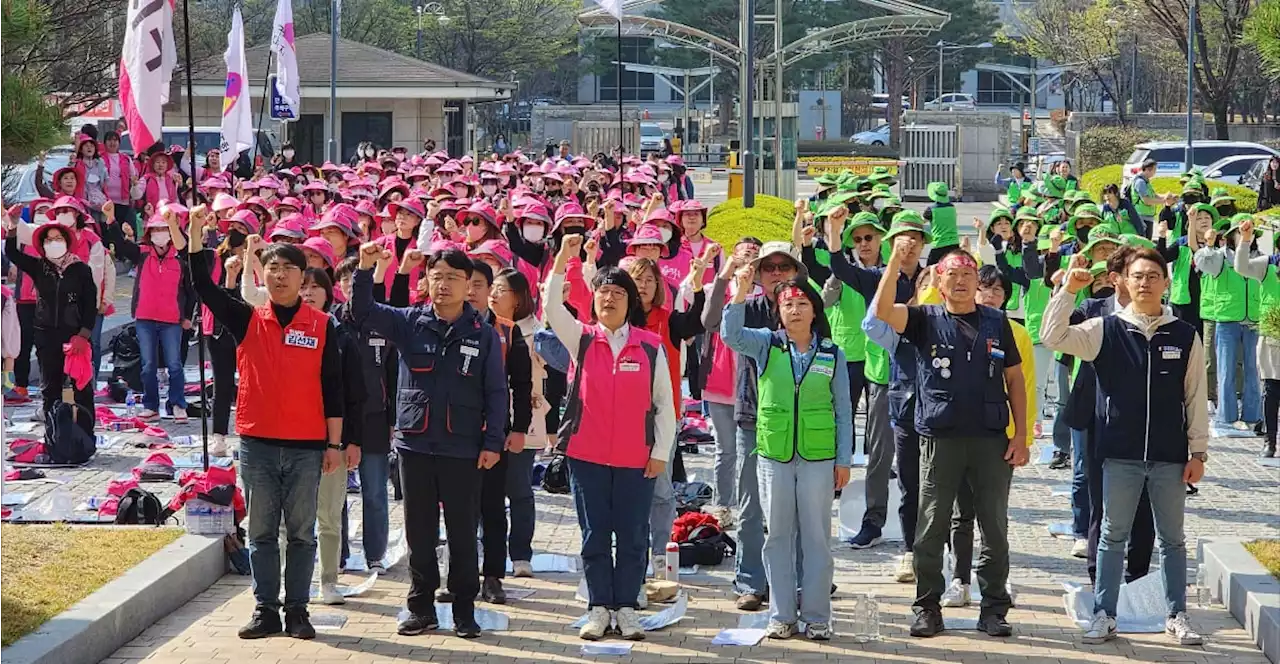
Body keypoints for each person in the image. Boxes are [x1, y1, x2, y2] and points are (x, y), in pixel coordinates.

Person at [186, 205, 347, 641]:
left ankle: (297, 609)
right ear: (264, 275)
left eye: (287, 270)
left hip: (307, 445)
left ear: (303, 277)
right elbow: (203, 286)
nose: (279, 276)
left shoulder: (322, 325)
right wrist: (196, 232)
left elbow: (334, 388)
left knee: (300, 533)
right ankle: (265, 609)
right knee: (260, 532)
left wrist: (334, 445)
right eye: (272, 268)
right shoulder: (247, 318)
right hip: (256, 442)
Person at [1040, 247, 1208, 647]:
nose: (1145, 283)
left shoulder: (1183, 334)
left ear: (1166, 282)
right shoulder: (1105, 329)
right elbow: (1052, 337)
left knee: (1173, 539)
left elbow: (1195, 397)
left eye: (1153, 275)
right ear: (1124, 282)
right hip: (1119, 453)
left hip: (1169, 456)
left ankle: (1176, 614)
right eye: (1138, 276)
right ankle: (1104, 614)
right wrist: (1067, 290)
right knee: (1112, 535)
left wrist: (1198, 452)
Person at [350, 242, 507, 640]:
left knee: (462, 532)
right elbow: (363, 311)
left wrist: (493, 442)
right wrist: (366, 269)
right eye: (437, 277)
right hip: (414, 444)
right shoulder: (408, 322)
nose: (444, 285)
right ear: (426, 281)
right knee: (419, 531)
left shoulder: (483, 334)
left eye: (454, 278)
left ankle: (464, 609)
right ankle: (420, 607)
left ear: (469, 285)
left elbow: (495, 392)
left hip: (463, 446)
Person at [871, 241, 1029, 639]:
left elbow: (1014, 380)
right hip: (941, 438)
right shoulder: (924, 319)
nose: (960, 282)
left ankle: (994, 607)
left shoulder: (997, 322)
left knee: (994, 526)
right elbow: (884, 312)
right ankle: (927, 606)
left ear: (978, 280)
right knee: (931, 524)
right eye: (952, 276)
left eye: (967, 276)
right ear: (938, 282)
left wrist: (1021, 435)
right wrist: (894, 262)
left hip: (992, 440)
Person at [543, 234, 676, 641]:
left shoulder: (650, 346)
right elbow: (549, 307)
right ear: (594, 299)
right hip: (588, 455)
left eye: (619, 292)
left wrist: (660, 452)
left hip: (637, 458)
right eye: (603, 292)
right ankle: (599, 606)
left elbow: (665, 405)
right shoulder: (582, 339)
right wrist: (564, 259)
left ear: (630, 301)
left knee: (634, 537)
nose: (610, 299)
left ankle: (627, 606)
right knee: (594, 534)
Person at [721, 272, 853, 640]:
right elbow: (730, 335)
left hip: (818, 456)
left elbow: (843, 409)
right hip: (774, 455)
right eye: (787, 304)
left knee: (816, 539)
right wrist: (741, 291)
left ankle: (817, 616)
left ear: (815, 310)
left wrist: (844, 459)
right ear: (778, 312)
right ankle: (782, 614)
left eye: (802, 304)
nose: (795, 310)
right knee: (777, 535)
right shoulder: (766, 345)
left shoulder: (832, 352)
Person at [704, 239, 803, 612]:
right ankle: (750, 582)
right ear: (759, 273)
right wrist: (739, 288)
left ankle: (796, 580)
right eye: (769, 267)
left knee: (792, 508)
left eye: (784, 267)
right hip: (751, 416)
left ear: (795, 271)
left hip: (797, 420)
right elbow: (722, 329)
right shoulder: (748, 306)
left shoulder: (806, 307)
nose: (776, 273)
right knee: (750, 508)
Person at [940, 265, 1036, 607]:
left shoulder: (1015, 333)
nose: (992, 295)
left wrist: (1021, 436)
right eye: (986, 288)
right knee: (959, 514)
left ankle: (996, 584)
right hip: (955, 437)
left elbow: (1022, 386)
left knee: (994, 517)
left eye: (998, 291)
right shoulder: (950, 324)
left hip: (998, 437)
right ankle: (959, 578)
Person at [460, 259, 533, 606]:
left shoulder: (507, 330)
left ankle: (492, 577)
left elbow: (522, 383)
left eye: (479, 284)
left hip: (493, 434)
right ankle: (459, 576)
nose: (472, 291)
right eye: (467, 283)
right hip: (453, 434)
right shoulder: (450, 324)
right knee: (460, 510)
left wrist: (519, 428)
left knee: (492, 508)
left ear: (491, 290)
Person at [297, 267, 366, 606]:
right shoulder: (286, 332)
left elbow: (355, 395)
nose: (308, 293)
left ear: (329, 293)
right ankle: (291, 582)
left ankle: (328, 581)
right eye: (303, 287)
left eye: (315, 287)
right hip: (293, 439)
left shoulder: (342, 338)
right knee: (291, 519)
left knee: (328, 515)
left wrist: (351, 441)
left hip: (331, 442)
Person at [4, 210, 97, 436]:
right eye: (49, 239)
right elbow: (12, 253)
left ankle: (85, 434)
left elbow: (90, 304)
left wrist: (83, 335)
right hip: (46, 336)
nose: (53, 243)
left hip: (75, 336)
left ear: (66, 242)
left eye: (58, 239)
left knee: (81, 388)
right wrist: (13, 225)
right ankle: (53, 436)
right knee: (50, 389)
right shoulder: (39, 267)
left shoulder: (81, 270)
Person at [332, 257, 394, 572]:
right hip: (337, 420)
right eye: (344, 280)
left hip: (375, 418)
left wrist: (394, 418)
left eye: (354, 279)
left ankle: (375, 555)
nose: (349, 285)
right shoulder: (331, 322)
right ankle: (339, 554)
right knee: (336, 494)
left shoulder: (382, 321)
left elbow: (394, 373)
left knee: (374, 491)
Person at [487, 268, 545, 576]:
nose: (494, 295)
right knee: (487, 492)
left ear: (519, 298)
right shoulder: (482, 327)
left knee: (520, 489)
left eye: (501, 290)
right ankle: (487, 549)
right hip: (488, 423)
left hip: (524, 421)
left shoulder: (538, 332)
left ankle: (521, 554)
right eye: (492, 288)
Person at [112, 209, 194, 422]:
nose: (159, 234)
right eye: (155, 230)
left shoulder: (180, 257)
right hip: (145, 318)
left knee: (174, 364)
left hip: (171, 320)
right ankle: (151, 405)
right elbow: (121, 246)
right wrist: (112, 219)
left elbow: (189, 290)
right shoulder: (143, 253)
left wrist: (186, 316)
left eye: (164, 229)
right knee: (148, 365)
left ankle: (177, 404)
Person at [1232, 218, 1280, 457]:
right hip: (1273, 339)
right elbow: (1241, 267)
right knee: (1271, 391)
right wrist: (1245, 239)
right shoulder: (1267, 266)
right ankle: (1270, 442)